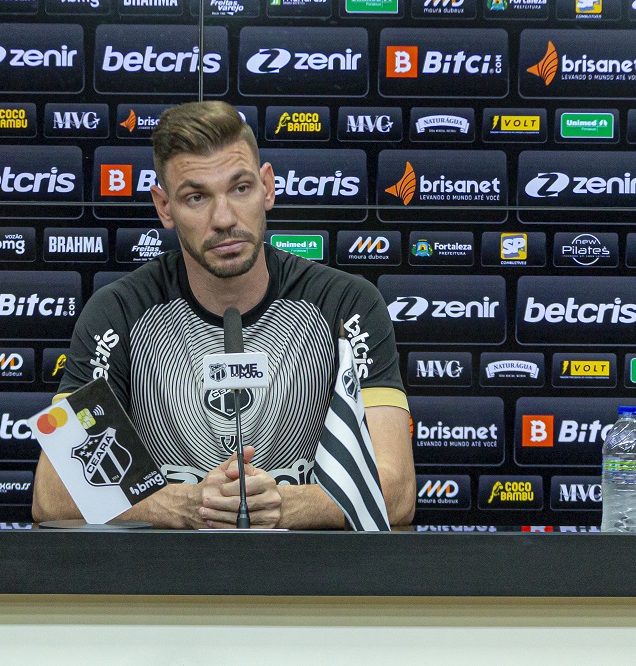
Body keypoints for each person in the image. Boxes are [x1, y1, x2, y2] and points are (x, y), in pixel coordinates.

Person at [32, 101, 415, 529]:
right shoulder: (119, 310)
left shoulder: (347, 304)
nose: (224, 219)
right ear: (164, 208)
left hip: (310, 585)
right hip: (167, 584)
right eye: (196, 197)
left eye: (240, 188)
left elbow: (397, 491)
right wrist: (184, 504)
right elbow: (54, 494)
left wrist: (289, 505)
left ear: (267, 187)